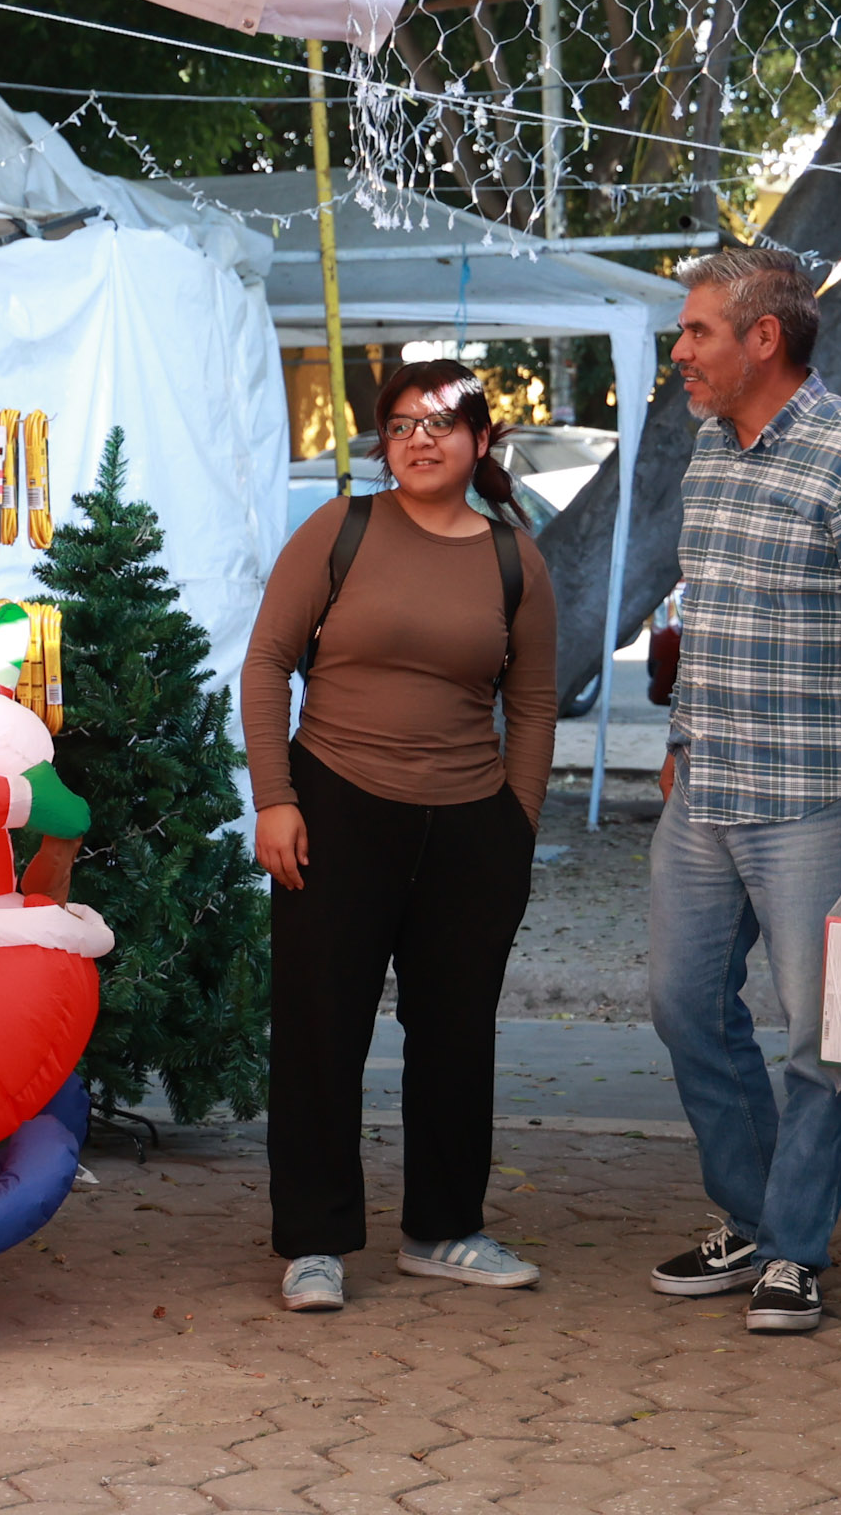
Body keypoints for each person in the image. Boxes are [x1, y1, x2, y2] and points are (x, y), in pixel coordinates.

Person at [650, 247, 841, 1335]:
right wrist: (678, 736)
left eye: (697, 333)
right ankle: (756, 1210)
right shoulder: (707, 453)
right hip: (706, 784)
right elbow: (704, 614)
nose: (681, 352)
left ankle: (794, 1248)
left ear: (762, 337)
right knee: (684, 1007)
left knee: (827, 1033)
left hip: (818, 795)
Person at [240, 358, 559, 1313]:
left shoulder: (515, 559)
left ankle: (446, 1229)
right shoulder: (339, 531)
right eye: (402, 423)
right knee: (318, 1031)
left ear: (482, 443)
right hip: (334, 807)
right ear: (384, 442)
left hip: (470, 827)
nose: (420, 437)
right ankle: (314, 1243)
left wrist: (517, 824)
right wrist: (275, 797)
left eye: (443, 422)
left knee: (458, 1036)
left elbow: (534, 703)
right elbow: (266, 664)